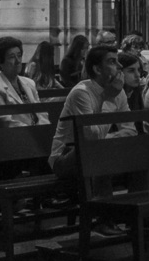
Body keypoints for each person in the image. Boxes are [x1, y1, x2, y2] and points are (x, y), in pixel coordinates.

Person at [48, 45, 141, 235]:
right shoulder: (81, 92)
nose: (119, 67)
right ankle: (103, 219)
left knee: (141, 153)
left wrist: (111, 137)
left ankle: (136, 216)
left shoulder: (118, 92)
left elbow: (130, 129)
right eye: (112, 62)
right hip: (64, 157)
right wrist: (108, 98)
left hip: (94, 152)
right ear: (97, 69)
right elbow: (92, 136)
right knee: (99, 150)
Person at [0, 37, 50, 127]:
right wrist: (33, 132)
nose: (18, 61)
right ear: (0, 62)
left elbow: (41, 112)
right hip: (17, 136)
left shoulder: (30, 83)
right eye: (12, 57)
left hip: (39, 133)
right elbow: (5, 121)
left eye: (19, 55)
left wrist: (44, 128)